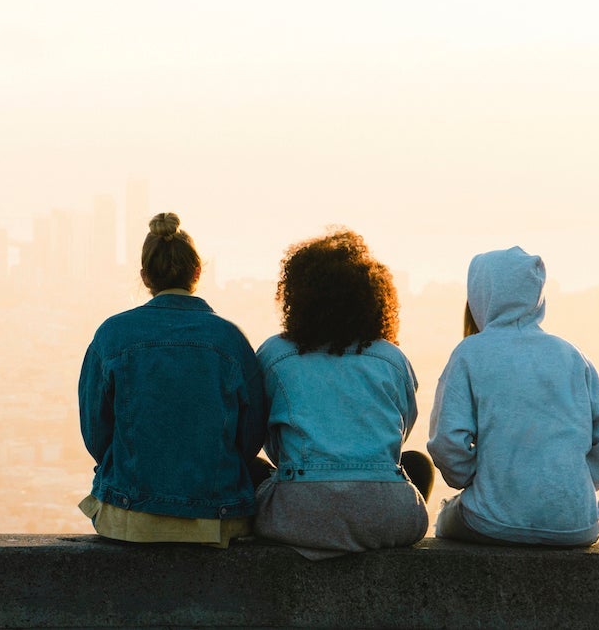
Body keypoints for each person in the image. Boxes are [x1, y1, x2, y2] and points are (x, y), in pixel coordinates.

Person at [77, 212, 268, 547]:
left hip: (129, 517)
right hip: (217, 518)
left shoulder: (111, 334)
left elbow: (96, 433)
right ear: (197, 272)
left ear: (144, 276)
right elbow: (251, 436)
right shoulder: (230, 339)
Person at [252, 228, 433, 560]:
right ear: (372, 297)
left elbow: (264, 435)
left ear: (297, 296)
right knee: (417, 464)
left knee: (252, 469)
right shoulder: (391, 358)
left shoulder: (274, 355)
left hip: (299, 516)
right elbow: (400, 432)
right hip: (387, 517)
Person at [428, 246, 599, 547]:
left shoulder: (470, 353)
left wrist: (473, 480)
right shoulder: (573, 356)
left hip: (491, 522)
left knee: (446, 516)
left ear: (480, 294)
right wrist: (574, 483)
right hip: (577, 524)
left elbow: (447, 443)